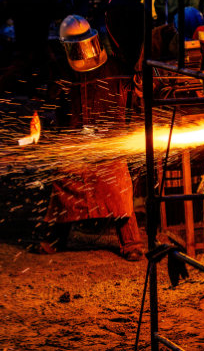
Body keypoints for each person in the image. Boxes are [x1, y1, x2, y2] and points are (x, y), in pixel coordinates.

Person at [40, 15, 144, 261]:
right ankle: (55, 239)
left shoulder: (116, 69)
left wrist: (138, 87)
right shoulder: (63, 74)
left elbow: (135, 95)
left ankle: (131, 242)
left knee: (118, 189)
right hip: (75, 147)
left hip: (110, 146)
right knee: (64, 188)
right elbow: (49, 106)